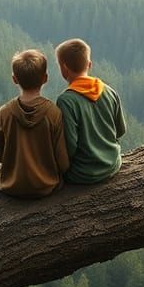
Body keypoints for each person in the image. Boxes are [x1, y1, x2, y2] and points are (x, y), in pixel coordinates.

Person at [0, 49, 70, 197]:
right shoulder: (53, 113)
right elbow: (62, 161)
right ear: (45, 78)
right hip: (46, 185)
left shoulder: (4, 112)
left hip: (12, 185)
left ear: (14, 79)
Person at [54, 38, 126, 184]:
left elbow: (70, 147)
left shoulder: (66, 101)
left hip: (83, 173)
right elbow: (120, 131)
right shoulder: (109, 91)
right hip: (112, 164)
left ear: (64, 68)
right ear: (89, 64)